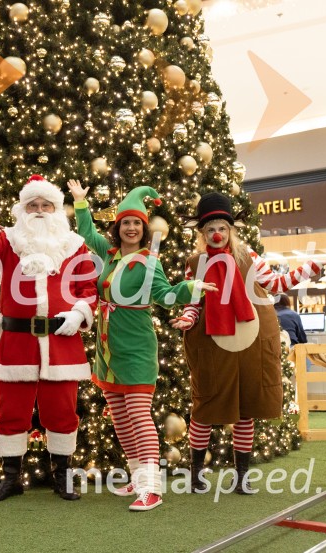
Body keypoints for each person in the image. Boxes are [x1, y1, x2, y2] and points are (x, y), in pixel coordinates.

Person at [0, 174, 98, 502]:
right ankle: (11, 478)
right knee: (10, 410)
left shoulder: (75, 245)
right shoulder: (8, 239)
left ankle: (62, 478)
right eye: (33, 205)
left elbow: (89, 289)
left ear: (57, 210)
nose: (40, 211)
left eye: (46, 205)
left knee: (61, 411)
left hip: (61, 342)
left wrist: (78, 313)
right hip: (16, 343)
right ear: (22, 209)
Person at [67, 180, 216, 511]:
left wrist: (191, 287)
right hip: (107, 350)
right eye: (126, 223)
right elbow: (87, 231)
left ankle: (152, 488)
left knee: (138, 413)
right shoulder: (107, 254)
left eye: (137, 223)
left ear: (144, 228)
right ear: (118, 227)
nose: (131, 228)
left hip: (136, 348)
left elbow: (163, 295)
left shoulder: (150, 261)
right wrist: (80, 203)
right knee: (119, 417)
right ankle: (136, 476)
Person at [170, 192, 322, 495]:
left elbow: (275, 285)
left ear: (231, 230)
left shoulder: (248, 257)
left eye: (222, 228)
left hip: (250, 342)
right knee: (205, 408)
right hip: (212, 344)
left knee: (245, 410)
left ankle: (242, 476)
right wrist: (187, 318)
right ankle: (196, 474)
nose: (217, 233)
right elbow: (193, 301)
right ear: (202, 233)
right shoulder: (195, 263)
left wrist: (307, 269)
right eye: (210, 228)